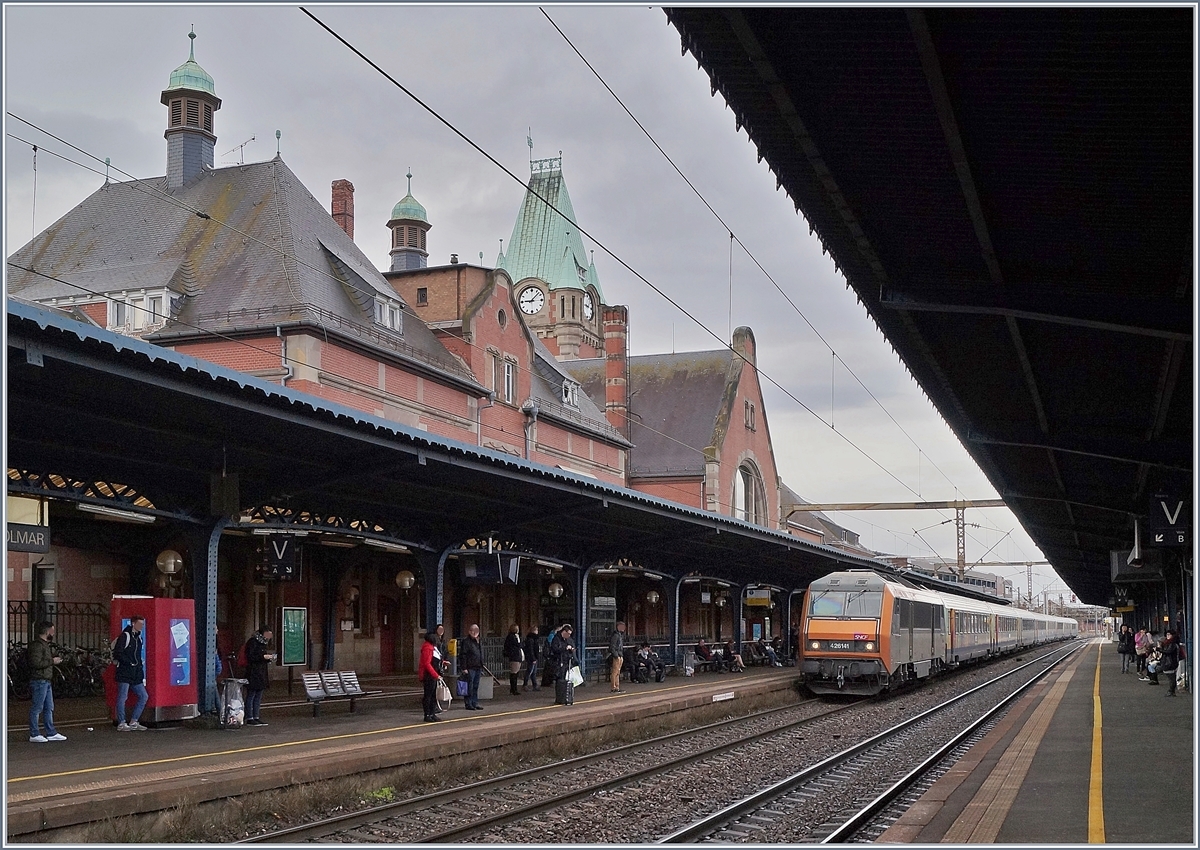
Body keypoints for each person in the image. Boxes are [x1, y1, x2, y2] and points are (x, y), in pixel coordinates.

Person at [28, 621, 66, 742]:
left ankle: (51, 732)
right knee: (37, 707)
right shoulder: (37, 646)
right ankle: (34, 733)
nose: (53, 633)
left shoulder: (42, 645)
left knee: (48, 707)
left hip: (45, 680)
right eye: (52, 630)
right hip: (39, 680)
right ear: (47, 631)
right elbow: (35, 663)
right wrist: (52, 661)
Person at [112, 615, 149, 731]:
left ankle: (133, 721)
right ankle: (122, 722)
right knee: (123, 697)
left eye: (142, 624)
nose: (142, 626)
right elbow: (118, 653)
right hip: (125, 671)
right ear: (133, 623)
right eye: (140, 624)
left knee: (143, 696)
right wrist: (130, 663)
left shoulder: (139, 638)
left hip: (135, 672)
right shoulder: (125, 636)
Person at [244, 627, 276, 725]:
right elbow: (250, 656)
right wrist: (263, 657)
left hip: (261, 672)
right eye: (267, 634)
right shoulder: (253, 642)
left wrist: (268, 658)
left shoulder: (263, 643)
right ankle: (250, 717)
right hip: (253, 672)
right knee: (252, 694)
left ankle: (256, 716)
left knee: (258, 695)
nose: (269, 637)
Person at [419, 631, 443, 721]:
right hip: (428, 675)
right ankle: (427, 714)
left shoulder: (433, 648)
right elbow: (427, 663)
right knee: (428, 695)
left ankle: (432, 713)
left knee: (433, 695)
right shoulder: (428, 648)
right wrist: (436, 675)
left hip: (432, 674)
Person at [551, 623, 577, 705]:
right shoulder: (556, 638)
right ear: (564, 632)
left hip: (567, 661)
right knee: (560, 679)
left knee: (567, 679)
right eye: (568, 633)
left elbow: (573, 648)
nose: (569, 635)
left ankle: (566, 696)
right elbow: (554, 649)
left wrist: (572, 650)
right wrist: (564, 648)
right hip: (559, 661)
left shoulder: (569, 639)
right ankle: (559, 697)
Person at [459, 624, 484, 710]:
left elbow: (480, 653)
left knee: (475, 686)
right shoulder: (466, 642)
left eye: (477, 631)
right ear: (470, 631)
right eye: (473, 631)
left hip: (478, 666)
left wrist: (481, 663)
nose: (475, 633)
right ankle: (468, 703)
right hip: (470, 667)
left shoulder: (477, 641)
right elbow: (463, 655)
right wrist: (464, 668)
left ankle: (475, 702)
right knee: (469, 685)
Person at [503, 624, 524, 696]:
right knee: (514, 673)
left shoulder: (516, 636)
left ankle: (514, 688)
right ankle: (513, 689)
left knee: (516, 672)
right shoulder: (511, 637)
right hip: (514, 656)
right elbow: (516, 645)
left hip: (517, 656)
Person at [1160, 629, 1180, 696]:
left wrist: (1159, 650)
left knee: (1171, 677)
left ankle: (1171, 691)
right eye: (1167, 634)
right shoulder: (1169, 643)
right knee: (1171, 677)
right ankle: (1171, 691)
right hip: (1170, 661)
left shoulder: (1172, 644)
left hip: (1171, 662)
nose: (1167, 636)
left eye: (1169, 634)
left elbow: (1168, 652)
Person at [608, 620, 627, 693]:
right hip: (617, 655)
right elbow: (612, 646)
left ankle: (617, 687)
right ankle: (614, 687)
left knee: (617, 672)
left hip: (619, 654)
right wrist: (616, 655)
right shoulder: (616, 635)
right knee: (615, 672)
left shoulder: (619, 635)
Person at [522, 626, 542, 691]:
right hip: (532, 657)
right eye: (536, 630)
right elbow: (531, 650)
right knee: (530, 671)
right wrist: (533, 658)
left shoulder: (533, 639)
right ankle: (525, 684)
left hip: (533, 657)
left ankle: (534, 685)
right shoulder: (531, 639)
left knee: (533, 672)